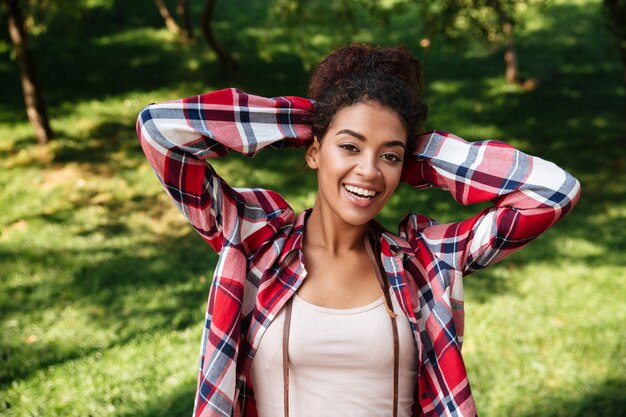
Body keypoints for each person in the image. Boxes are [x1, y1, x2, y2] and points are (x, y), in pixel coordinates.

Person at [136, 44, 581, 417]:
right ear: (313, 153)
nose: (367, 171)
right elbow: (161, 132)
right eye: (348, 147)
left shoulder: (425, 261)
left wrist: (418, 157)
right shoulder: (255, 241)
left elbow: (553, 191)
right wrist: (302, 122)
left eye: (389, 156)